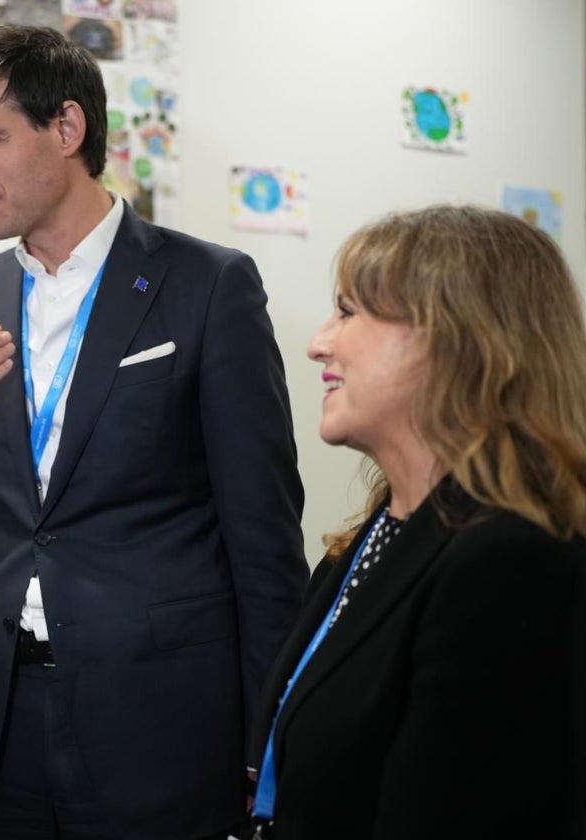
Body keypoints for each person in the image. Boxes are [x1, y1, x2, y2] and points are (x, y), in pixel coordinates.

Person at [0, 24, 308, 840]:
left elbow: (263, 540)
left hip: (161, 730)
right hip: (1, 723)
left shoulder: (209, 287)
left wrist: (272, 736)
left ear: (68, 129)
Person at [250, 205, 586, 839]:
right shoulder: (366, 539)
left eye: (348, 311)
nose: (318, 341)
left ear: (451, 338)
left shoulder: (512, 564)